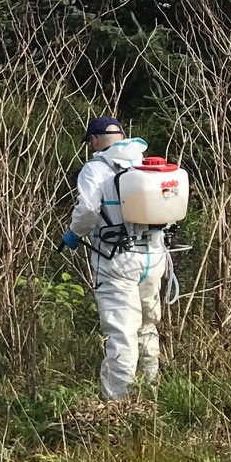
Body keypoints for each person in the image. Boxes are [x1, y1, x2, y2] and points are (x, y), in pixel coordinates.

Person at [60, 115, 169, 401]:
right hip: (154, 257)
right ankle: (151, 390)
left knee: (121, 331)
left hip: (117, 259)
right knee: (148, 326)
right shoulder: (143, 164)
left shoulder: (95, 168)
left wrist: (74, 234)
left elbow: (87, 211)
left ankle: (118, 404)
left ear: (94, 141)